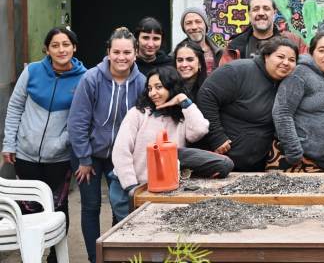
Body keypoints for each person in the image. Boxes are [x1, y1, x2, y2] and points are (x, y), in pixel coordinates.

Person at [2, 27, 87, 263]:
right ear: (47, 49)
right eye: (55, 45)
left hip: (59, 157)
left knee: (58, 206)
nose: (61, 50)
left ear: (74, 47)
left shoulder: (84, 78)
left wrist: (61, 142)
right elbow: (15, 107)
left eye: (66, 44)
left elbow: (81, 119)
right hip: (25, 154)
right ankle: (31, 254)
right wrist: (10, 143)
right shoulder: (32, 71)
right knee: (27, 207)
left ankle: (55, 256)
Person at [109, 66, 234, 221]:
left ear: (171, 87)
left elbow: (200, 129)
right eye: (150, 88)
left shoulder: (181, 117)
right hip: (128, 188)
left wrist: (183, 101)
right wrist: (132, 188)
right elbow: (121, 152)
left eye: (159, 87)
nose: (153, 93)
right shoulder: (138, 114)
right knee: (128, 232)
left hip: (160, 190)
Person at [67, 27, 146, 263]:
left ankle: (114, 256)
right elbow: (77, 121)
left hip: (121, 157)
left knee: (120, 205)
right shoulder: (91, 78)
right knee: (91, 207)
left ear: (135, 54)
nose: (121, 57)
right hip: (89, 155)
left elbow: (143, 124)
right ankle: (95, 258)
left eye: (127, 52)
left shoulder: (142, 83)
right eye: (116, 52)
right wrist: (83, 158)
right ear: (108, 52)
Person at [198, 36, 298, 171]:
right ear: (266, 56)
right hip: (222, 161)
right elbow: (206, 96)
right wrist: (216, 136)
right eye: (280, 57)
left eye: (292, 60)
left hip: (258, 166)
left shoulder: (288, 84)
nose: (286, 63)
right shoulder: (238, 71)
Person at [269, 32, 324, 172]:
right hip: (301, 161)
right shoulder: (300, 73)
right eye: (321, 50)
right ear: (311, 53)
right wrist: (294, 152)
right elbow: (282, 112)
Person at [222, 0, 307, 62]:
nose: (261, 13)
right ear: (249, 14)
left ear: (274, 13)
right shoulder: (234, 46)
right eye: (256, 9)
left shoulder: (295, 41)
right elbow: (225, 75)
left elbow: (305, 70)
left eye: (266, 9)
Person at [180, 6, 223, 74]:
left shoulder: (221, 54)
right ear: (184, 28)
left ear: (206, 25)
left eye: (198, 22)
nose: (194, 27)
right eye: (188, 23)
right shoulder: (174, 57)